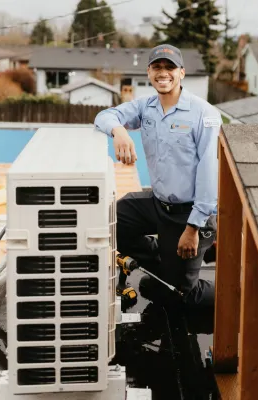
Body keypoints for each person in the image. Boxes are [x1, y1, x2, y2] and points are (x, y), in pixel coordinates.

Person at [94, 44, 222, 307]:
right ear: (149, 73)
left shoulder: (204, 114)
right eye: (157, 67)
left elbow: (210, 173)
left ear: (182, 73)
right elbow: (104, 116)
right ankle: (162, 261)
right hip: (158, 204)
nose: (163, 73)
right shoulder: (147, 107)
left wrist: (193, 228)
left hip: (190, 214)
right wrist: (119, 132)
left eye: (170, 68)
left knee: (182, 295)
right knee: (113, 220)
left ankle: (239, 295)